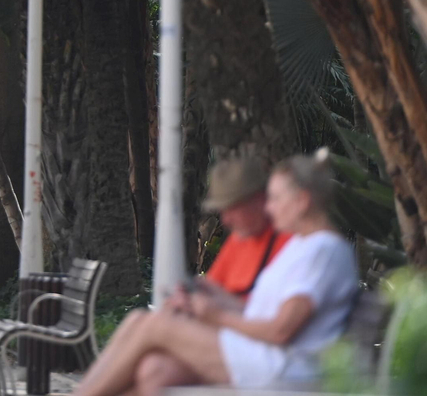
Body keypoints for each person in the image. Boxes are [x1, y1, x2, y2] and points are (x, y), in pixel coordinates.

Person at [68, 153, 359, 396]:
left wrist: (216, 316)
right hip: (264, 356)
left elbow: (281, 330)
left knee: (150, 325)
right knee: (153, 368)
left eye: (275, 198)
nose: (270, 207)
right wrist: (214, 300)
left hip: (284, 367)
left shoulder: (323, 250)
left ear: (302, 201)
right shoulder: (304, 245)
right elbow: (261, 312)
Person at [199, 156, 291, 300]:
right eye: (223, 211)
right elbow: (211, 288)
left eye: (232, 209)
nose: (225, 220)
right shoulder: (238, 239)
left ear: (260, 199)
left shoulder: (292, 243)